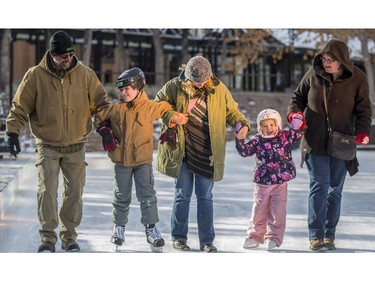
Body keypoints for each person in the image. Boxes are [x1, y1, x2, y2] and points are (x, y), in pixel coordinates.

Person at [6, 30, 110, 253]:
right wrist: (13, 131)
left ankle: (69, 236)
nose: (67, 59)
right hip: (47, 144)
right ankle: (48, 237)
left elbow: (101, 103)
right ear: (52, 55)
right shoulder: (35, 75)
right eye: (62, 56)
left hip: (76, 144)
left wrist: (103, 125)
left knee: (74, 193)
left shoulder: (86, 75)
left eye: (70, 55)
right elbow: (19, 106)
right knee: (47, 191)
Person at [154, 55, 251, 253]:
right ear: (188, 75)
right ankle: (179, 237)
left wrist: (242, 124)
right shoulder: (174, 86)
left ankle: (207, 241)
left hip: (208, 151)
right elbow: (157, 105)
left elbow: (232, 112)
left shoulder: (219, 88)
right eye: (196, 82)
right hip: (182, 150)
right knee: (182, 195)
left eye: (203, 81)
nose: (199, 85)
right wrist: (172, 116)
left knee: (205, 197)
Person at [287, 39, 372, 251]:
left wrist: (363, 131)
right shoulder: (313, 74)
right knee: (320, 185)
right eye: (324, 59)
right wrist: (295, 115)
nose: (326, 63)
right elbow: (297, 97)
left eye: (330, 60)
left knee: (335, 189)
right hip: (315, 140)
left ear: (341, 61)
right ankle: (316, 235)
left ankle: (329, 234)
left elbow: (364, 109)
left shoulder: (358, 78)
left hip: (342, 142)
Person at [95, 67, 188, 251]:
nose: (124, 93)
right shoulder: (116, 109)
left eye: (127, 89)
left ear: (138, 87)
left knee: (147, 196)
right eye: (121, 90)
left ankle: (151, 229)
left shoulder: (149, 107)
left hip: (142, 161)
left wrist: (173, 118)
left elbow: (164, 109)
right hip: (121, 161)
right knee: (121, 196)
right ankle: (119, 228)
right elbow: (99, 117)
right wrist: (104, 130)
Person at [235, 109, 303, 251]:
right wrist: (240, 138)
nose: (269, 128)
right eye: (264, 126)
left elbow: (295, 135)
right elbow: (245, 151)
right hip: (262, 182)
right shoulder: (257, 140)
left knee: (278, 211)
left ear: (277, 124)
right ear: (260, 128)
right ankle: (254, 236)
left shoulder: (284, 137)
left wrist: (296, 125)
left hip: (280, 182)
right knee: (259, 210)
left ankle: (273, 237)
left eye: (272, 124)